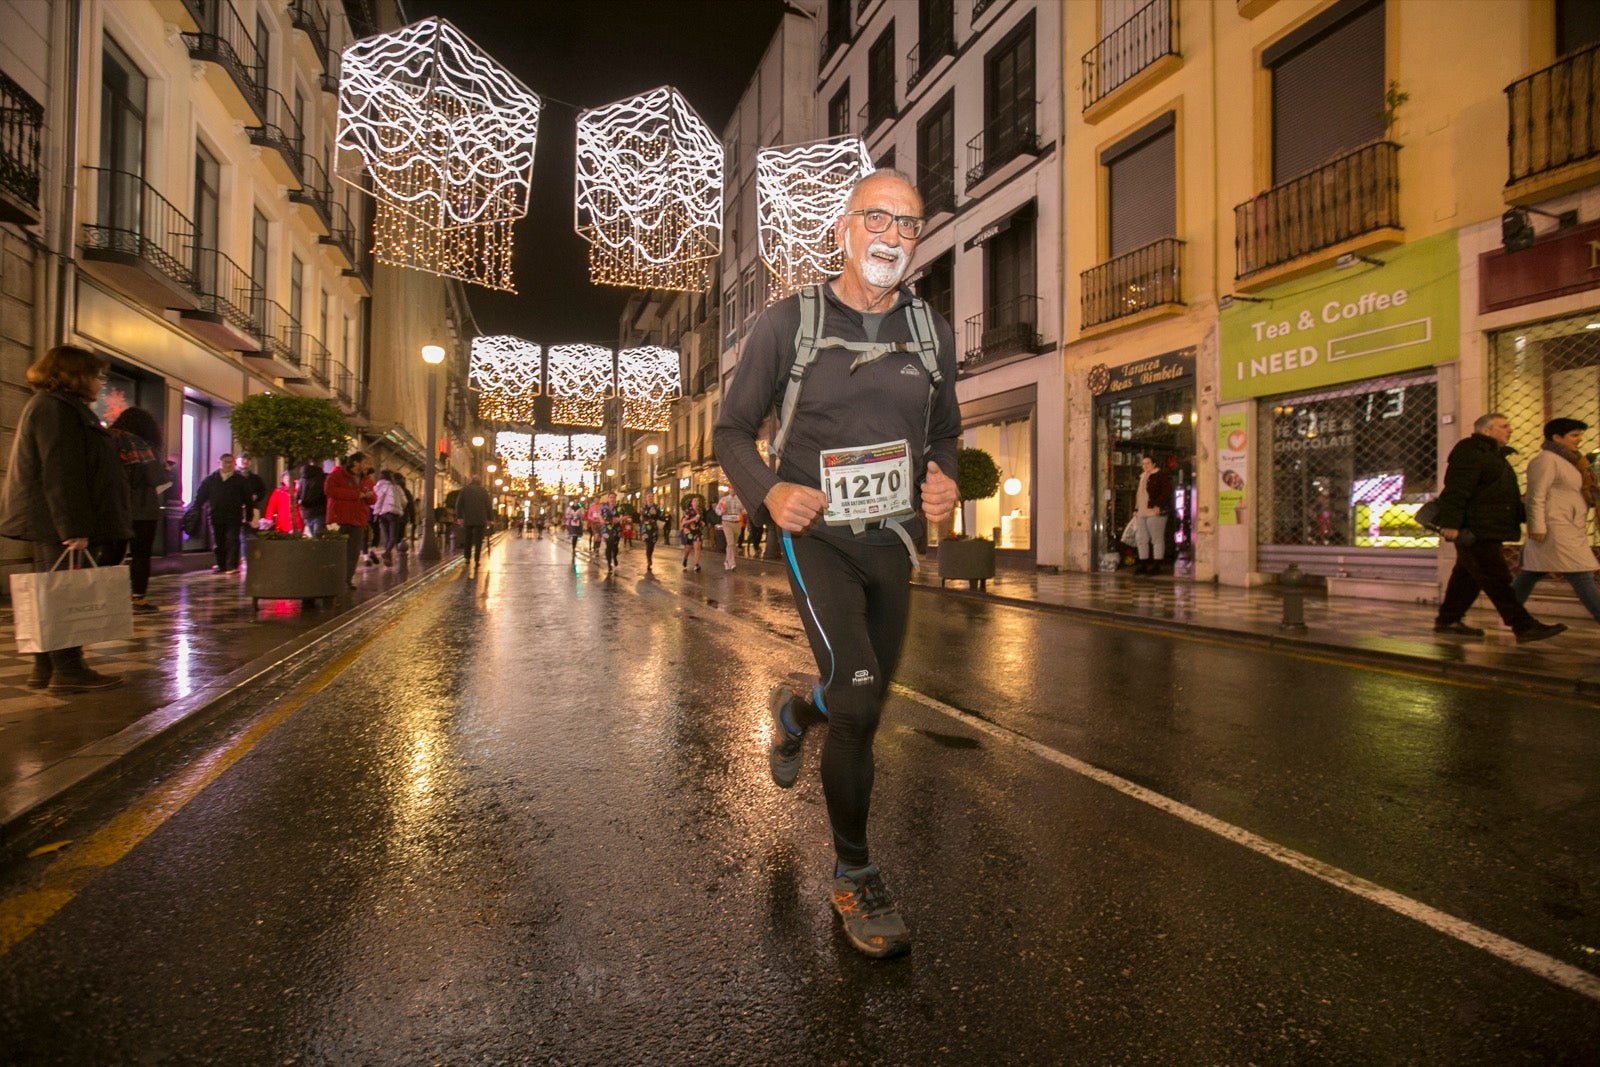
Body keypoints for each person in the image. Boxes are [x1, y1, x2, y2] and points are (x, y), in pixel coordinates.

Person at [714, 167, 959, 958]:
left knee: (864, 697)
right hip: (814, 536)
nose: (894, 236)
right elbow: (731, 430)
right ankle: (855, 871)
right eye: (879, 219)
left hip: (892, 542)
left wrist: (943, 477)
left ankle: (795, 713)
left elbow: (946, 430)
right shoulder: (789, 323)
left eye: (909, 225)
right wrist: (769, 490)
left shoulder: (930, 331)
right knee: (858, 698)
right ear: (845, 229)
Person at [0, 345, 131, 691]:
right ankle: (69, 670)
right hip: (58, 523)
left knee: (54, 593)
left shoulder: (62, 407)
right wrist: (72, 528)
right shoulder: (55, 409)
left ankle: (45, 669)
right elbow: (60, 472)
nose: (100, 383)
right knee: (64, 595)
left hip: (57, 521)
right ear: (74, 375)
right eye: (96, 375)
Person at [1432, 413, 1566, 643]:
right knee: (1497, 579)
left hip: (1487, 527)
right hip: (1476, 529)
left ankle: (1448, 620)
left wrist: (1522, 514)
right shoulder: (1470, 452)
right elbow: (1456, 489)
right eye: (1504, 426)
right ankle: (1523, 626)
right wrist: (1451, 523)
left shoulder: (1492, 455)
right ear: (1486, 431)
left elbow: (1497, 495)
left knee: (1467, 577)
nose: (1510, 429)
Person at [1513, 417, 1600, 623]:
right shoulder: (1545, 461)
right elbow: (1536, 495)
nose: (1579, 440)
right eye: (1574, 435)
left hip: (1568, 527)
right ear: (1556, 437)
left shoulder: (1573, 462)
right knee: (1581, 575)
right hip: (1553, 529)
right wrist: (1537, 527)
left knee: (1531, 574)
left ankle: (1510, 612)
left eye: (1580, 435)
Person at [107, 407, 167, 614]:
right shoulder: (144, 446)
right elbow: (157, 477)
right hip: (143, 508)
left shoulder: (109, 440)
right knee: (141, 555)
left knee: (110, 553)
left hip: (115, 506)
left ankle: (104, 596)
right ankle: (137, 598)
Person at [192, 453, 253, 573]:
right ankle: (221, 565)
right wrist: (196, 509)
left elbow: (248, 498)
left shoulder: (240, 480)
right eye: (226, 462)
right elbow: (201, 496)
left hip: (234, 515)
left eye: (231, 462)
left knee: (232, 540)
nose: (229, 465)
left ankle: (232, 566)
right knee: (218, 541)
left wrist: (249, 514)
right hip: (216, 515)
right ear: (219, 463)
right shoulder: (211, 479)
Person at [324, 451, 376, 589]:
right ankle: (334, 580)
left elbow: (373, 499)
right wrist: (356, 494)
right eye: (365, 462)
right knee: (337, 551)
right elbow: (329, 491)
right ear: (355, 463)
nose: (368, 466)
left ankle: (347, 580)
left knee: (353, 552)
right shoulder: (336, 476)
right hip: (339, 518)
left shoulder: (367, 479)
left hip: (358, 520)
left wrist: (369, 496)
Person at [1132, 455, 1173, 576]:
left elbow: (1167, 492)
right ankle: (1143, 563)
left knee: (1157, 538)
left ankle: (1157, 565)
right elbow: (1139, 495)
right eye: (1143, 464)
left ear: (1154, 464)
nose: (1145, 466)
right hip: (1142, 512)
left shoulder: (1161, 476)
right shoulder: (1142, 476)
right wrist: (1136, 508)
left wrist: (1158, 505)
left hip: (1154, 512)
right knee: (1141, 538)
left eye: (1148, 463)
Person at [454, 473, 491, 572]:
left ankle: (467, 558)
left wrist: (459, 517)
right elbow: (488, 506)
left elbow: (459, 504)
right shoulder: (483, 491)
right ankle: (477, 559)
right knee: (478, 540)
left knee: (468, 538)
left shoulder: (465, 490)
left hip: (468, 518)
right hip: (480, 519)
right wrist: (489, 519)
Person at [373, 469, 405, 565]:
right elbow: (404, 501)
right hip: (393, 513)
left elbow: (377, 501)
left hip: (382, 514)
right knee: (393, 537)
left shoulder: (376, 487)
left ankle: (388, 559)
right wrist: (399, 506)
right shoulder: (396, 488)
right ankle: (386, 553)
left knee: (387, 537)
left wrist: (376, 513)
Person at [261, 470, 303, 534]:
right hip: (282, 521)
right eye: (286, 478)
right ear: (282, 479)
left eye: (290, 478)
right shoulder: (278, 492)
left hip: (297, 521)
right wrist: (269, 518)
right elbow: (272, 506)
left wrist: (299, 487)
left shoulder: (298, 490)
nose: (288, 480)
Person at [717, 486, 744, 571]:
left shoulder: (740, 500)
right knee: (730, 543)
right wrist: (721, 512)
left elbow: (744, 510)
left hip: (737, 522)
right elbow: (717, 509)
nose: (733, 490)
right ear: (729, 490)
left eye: (734, 489)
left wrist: (744, 511)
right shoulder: (723, 499)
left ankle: (726, 561)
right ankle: (732, 563)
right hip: (727, 522)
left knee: (733, 544)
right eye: (731, 489)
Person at [298, 461, 327, 537]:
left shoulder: (303, 477)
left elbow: (299, 494)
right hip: (319, 510)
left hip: (306, 512)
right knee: (318, 537)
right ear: (321, 464)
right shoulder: (322, 477)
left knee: (314, 536)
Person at [639, 493, 665, 571]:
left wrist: (660, 510)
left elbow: (661, 516)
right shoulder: (643, 508)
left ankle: (649, 556)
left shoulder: (656, 507)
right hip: (646, 529)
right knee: (648, 544)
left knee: (652, 545)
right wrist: (642, 532)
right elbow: (641, 518)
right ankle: (648, 560)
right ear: (646, 498)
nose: (650, 498)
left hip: (654, 528)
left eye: (651, 497)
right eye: (648, 497)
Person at [680, 496, 703, 571]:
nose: (696, 502)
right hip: (689, 531)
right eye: (695, 500)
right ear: (691, 502)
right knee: (688, 548)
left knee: (697, 547)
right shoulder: (688, 511)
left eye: (697, 501)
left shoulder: (700, 511)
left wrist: (702, 523)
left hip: (697, 531)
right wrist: (692, 519)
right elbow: (683, 522)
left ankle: (696, 564)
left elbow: (700, 520)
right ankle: (685, 558)